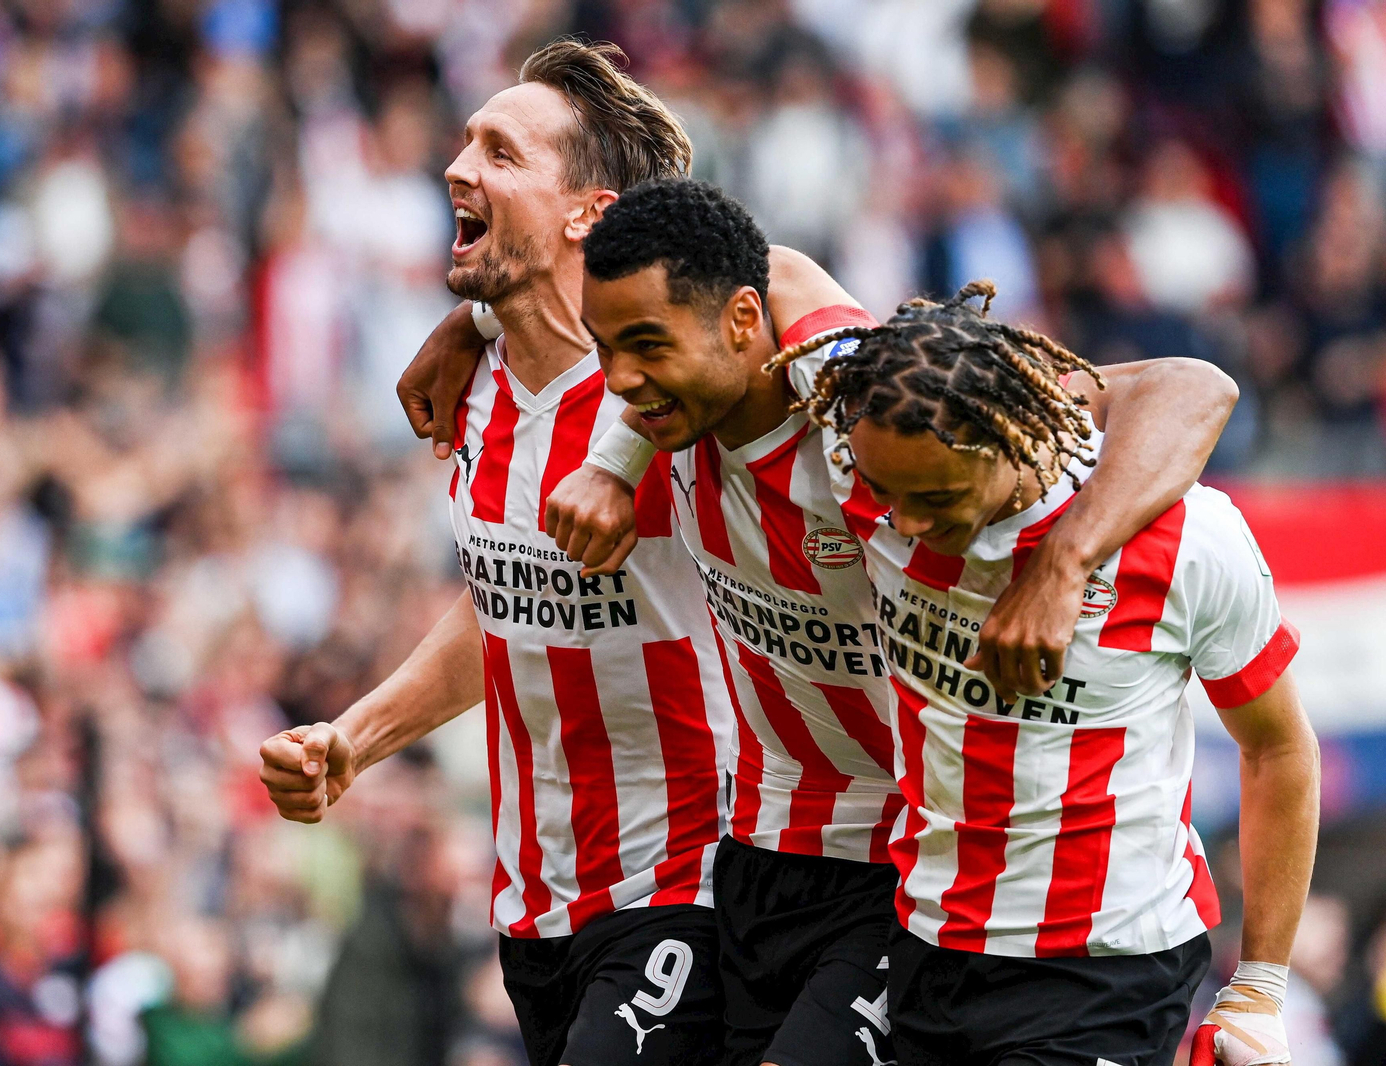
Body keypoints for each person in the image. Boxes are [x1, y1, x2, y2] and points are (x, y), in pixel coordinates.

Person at [259, 40, 888, 1066]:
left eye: (501, 154)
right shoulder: (472, 384)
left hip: (687, 878)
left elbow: (760, 274)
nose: (457, 168)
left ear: (588, 214)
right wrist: (357, 739)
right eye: (466, 143)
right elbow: (506, 600)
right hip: (534, 901)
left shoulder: (672, 385)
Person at [533, 177, 1240, 1066]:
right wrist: (610, 455)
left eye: (644, 347)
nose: (618, 379)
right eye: (606, 350)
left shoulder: (866, 409)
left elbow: (1189, 387)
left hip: (897, 861)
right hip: (759, 845)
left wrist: (1066, 563)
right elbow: (721, 274)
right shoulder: (668, 410)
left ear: (743, 321)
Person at [791, 282, 1319, 1066]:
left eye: (936, 496)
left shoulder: (1188, 538)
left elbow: (1277, 748)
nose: (905, 522)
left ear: (1013, 441)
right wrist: (618, 460)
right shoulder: (872, 472)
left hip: (1104, 967)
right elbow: (759, 277)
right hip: (926, 938)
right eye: (884, 492)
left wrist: (1259, 989)